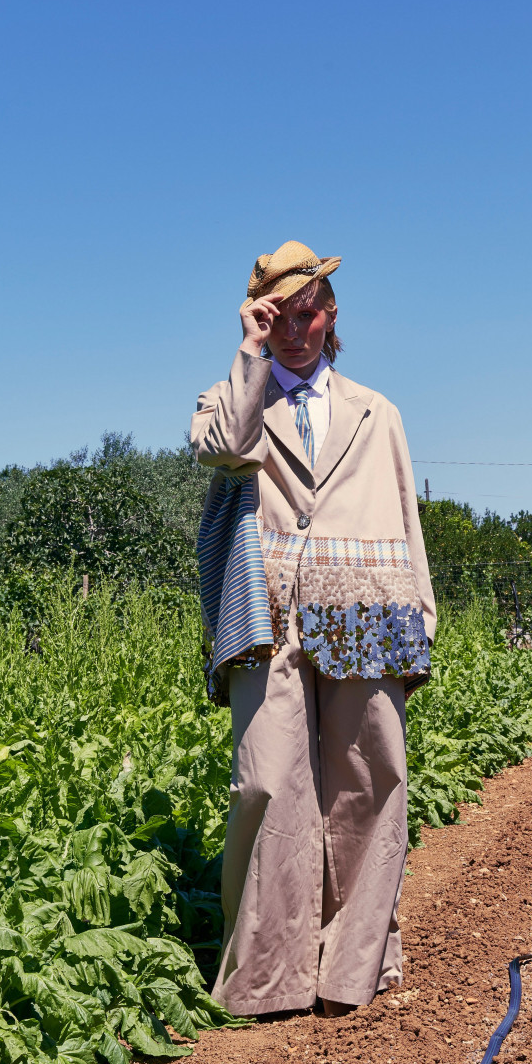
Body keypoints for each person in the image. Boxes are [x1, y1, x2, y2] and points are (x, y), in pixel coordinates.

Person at [190, 240, 437, 1019]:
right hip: (268, 616)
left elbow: (406, 512)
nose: (294, 329)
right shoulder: (234, 399)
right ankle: (268, 974)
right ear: (260, 319)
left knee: (370, 782)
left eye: (307, 313)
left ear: (331, 317)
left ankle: (355, 964)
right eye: (277, 316)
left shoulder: (377, 411)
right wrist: (248, 347)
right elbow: (223, 448)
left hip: (366, 609)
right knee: (269, 783)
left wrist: (420, 620)